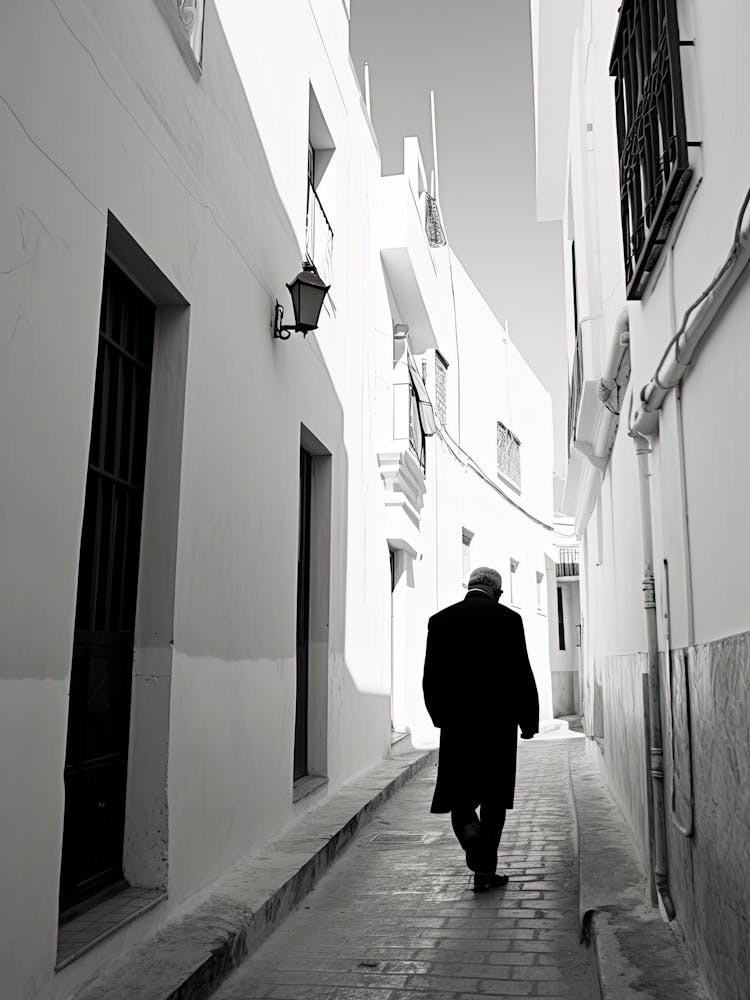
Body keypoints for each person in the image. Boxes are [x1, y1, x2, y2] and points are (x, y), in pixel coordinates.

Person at [422, 566, 539, 891]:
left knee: (460, 798)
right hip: (498, 728)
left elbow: (430, 677)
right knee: (493, 801)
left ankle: (471, 837)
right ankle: (485, 871)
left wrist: (439, 716)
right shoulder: (509, 619)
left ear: (470, 586)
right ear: (497, 592)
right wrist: (528, 721)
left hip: (457, 727)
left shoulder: (440, 620)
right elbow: (521, 672)